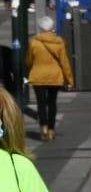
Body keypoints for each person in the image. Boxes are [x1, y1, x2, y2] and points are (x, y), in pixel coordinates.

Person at [24, 14, 72, 142]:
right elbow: (64, 63)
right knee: (52, 103)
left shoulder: (34, 43)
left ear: (40, 28)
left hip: (38, 76)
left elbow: (28, 60)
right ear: (52, 28)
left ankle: (43, 127)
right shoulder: (59, 43)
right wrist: (69, 80)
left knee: (41, 104)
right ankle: (51, 130)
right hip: (54, 76)